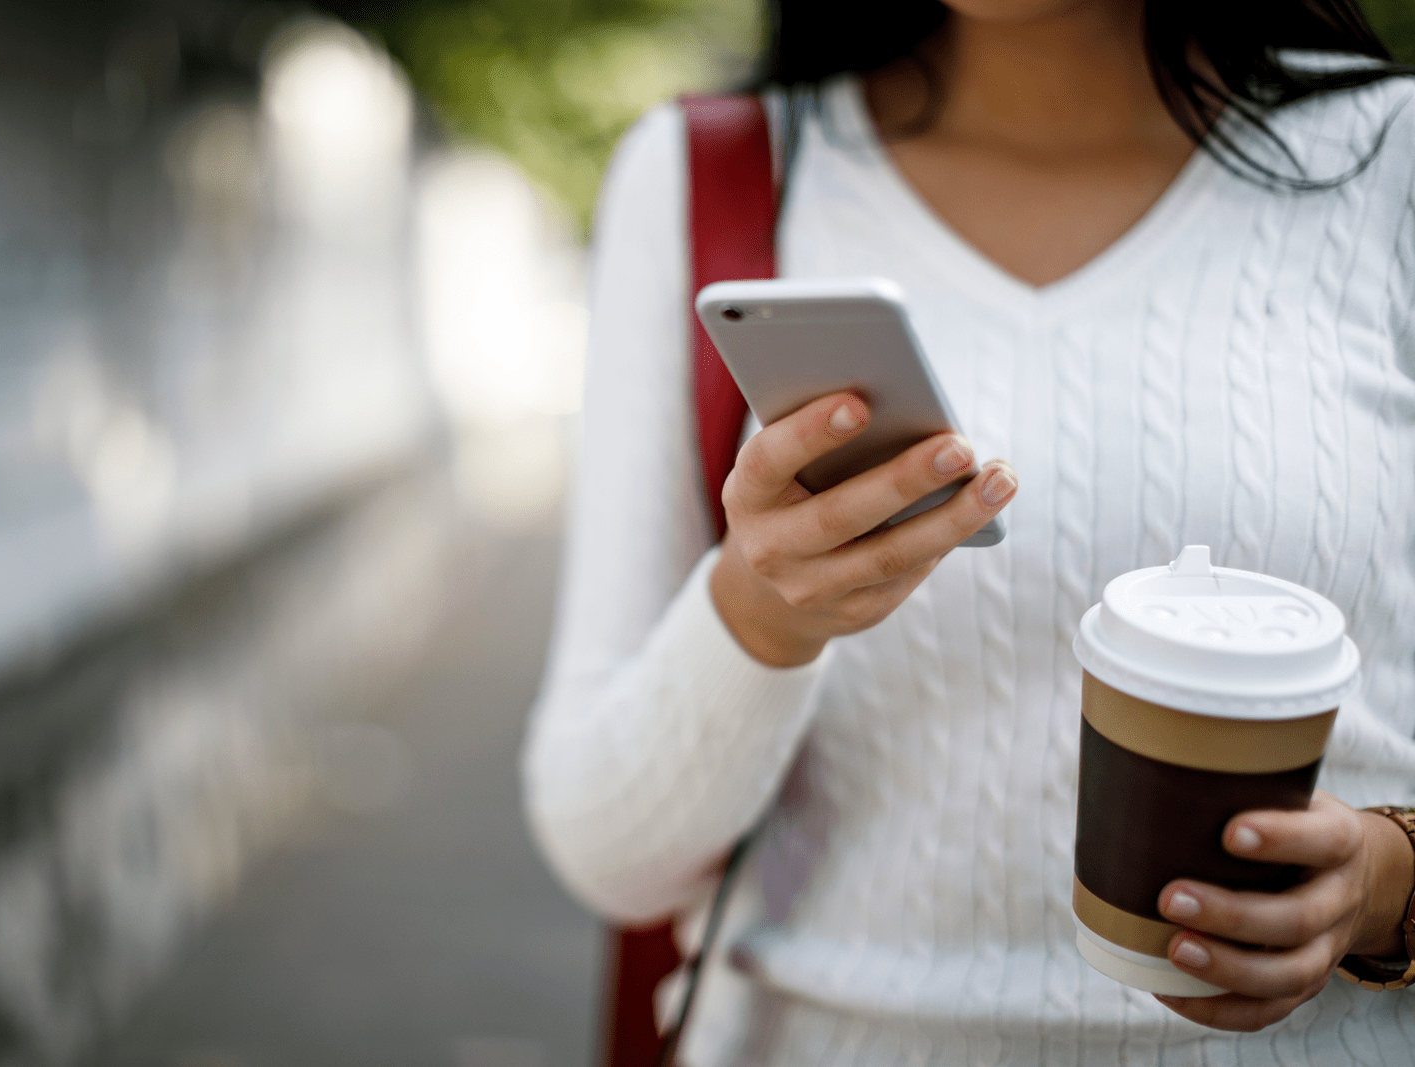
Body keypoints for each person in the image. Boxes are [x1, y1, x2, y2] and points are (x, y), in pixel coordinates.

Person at [523, 0, 1415, 1062]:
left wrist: (1383, 886)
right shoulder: (710, 173)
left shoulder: (1389, 160)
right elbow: (607, 852)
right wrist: (759, 609)